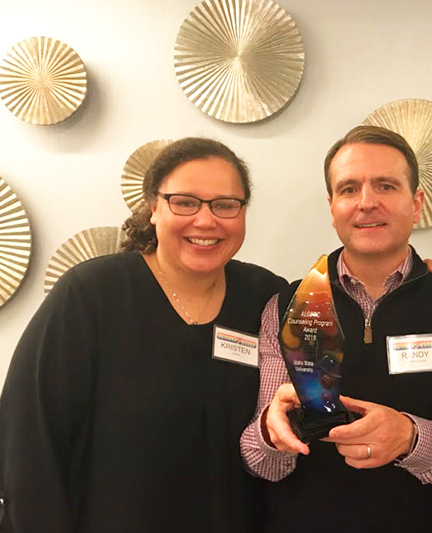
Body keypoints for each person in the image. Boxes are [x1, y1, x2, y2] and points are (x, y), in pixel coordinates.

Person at [0, 138, 287, 532]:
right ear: (154, 207)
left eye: (225, 204)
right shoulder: (92, 294)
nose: (206, 220)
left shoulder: (265, 298)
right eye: (184, 202)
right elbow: (28, 439)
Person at [240, 125, 432, 533]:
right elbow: (259, 461)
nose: (366, 203)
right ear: (332, 206)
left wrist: (410, 438)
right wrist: (272, 432)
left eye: (386, 186)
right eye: (349, 189)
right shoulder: (289, 306)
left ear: (417, 203)